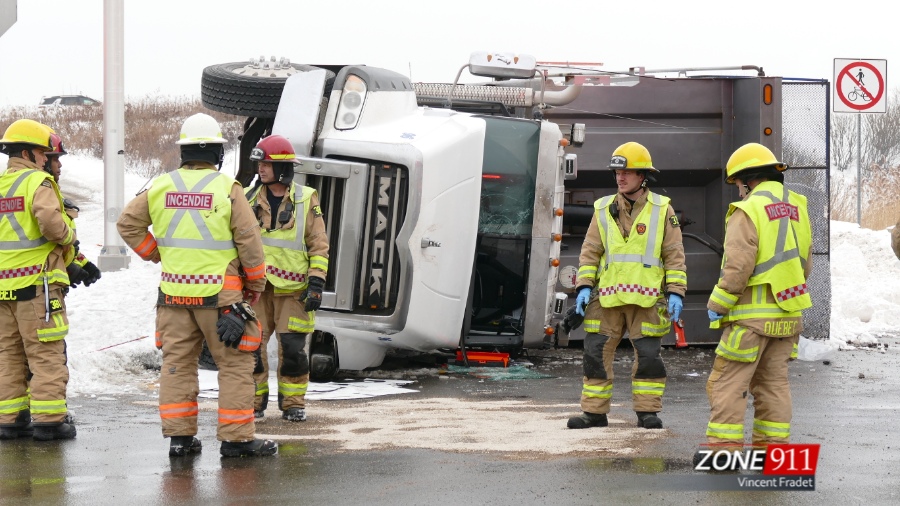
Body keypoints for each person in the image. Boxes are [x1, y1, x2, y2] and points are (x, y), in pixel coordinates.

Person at [117, 113, 277, 457]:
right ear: (218, 153)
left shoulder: (160, 186)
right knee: (235, 365)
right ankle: (236, 440)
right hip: (221, 297)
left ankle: (180, 439)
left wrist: (156, 254)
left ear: (183, 152)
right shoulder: (227, 189)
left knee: (177, 364)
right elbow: (250, 244)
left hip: (173, 298)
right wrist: (255, 286)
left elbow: (127, 224)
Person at [699, 143, 812, 462]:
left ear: (749, 179)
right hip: (788, 318)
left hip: (750, 319)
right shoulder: (797, 206)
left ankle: (724, 457)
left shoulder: (748, 210)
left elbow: (737, 266)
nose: (738, 192)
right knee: (773, 387)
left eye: (737, 184)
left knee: (726, 384)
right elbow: (805, 264)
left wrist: (718, 304)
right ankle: (773, 458)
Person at [567, 142, 687, 430]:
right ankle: (594, 413)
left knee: (648, 357)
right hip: (607, 298)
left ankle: (647, 412)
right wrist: (584, 286)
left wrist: (675, 292)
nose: (620, 177)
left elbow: (674, 254)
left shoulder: (662, 209)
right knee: (595, 353)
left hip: (646, 300)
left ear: (643, 176)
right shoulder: (603, 208)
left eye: (628, 172)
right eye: (617, 172)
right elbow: (591, 251)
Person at [0, 119, 78, 441]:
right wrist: (68, 234)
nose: (47, 159)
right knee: (45, 352)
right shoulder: (38, 182)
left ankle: (10, 418)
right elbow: (50, 223)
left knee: (8, 354)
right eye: (44, 153)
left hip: (3, 290)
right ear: (30, 152)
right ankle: (48, 421)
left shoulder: (2, 185)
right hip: (36, 287)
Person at [244, 134, 329, 422]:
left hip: (294, 291)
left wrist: (316, 282)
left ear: (282, 168)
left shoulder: (307, 199)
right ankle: (254, 404)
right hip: (256, 289)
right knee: (252, 348)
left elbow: (319, 243)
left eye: (266, 164)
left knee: (293, 350)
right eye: (260, 164)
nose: (261, 169)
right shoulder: (247, 198)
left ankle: (293, 405)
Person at [44, 133, 101, 289]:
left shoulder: (53, 195)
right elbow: (51, 240)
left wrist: (83, 263)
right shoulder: (40, 196)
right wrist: (70, 267)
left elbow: (66, 246)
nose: (60, 165)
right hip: (39, 286)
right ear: (43, 161)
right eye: (55, 159)